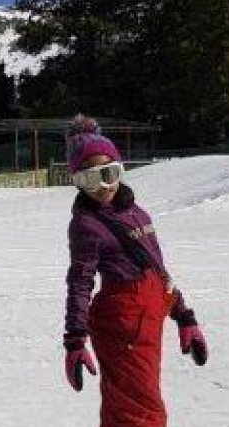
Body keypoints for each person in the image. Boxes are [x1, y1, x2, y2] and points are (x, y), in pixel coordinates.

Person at [63, 115, 209, 426]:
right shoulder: (86, 224)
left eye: (109, 173)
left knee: (126, 407)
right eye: (89, 179)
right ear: (77, 181)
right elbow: (80, 282)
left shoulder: (136, 212)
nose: (103, 187)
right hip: (123, 322)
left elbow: (156, 268)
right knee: (140, 410)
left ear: (120, 170)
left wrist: (184, 315)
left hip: (148, 313)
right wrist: (75, 338)